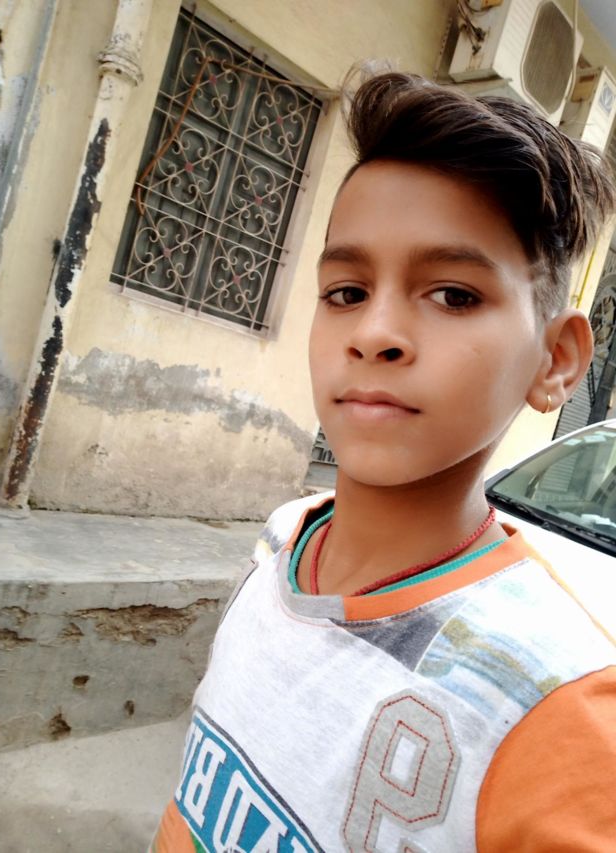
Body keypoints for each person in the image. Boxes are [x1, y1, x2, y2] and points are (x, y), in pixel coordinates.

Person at [151, 72, 616, 852]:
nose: (374, 333)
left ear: (556, 359)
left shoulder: (558, 708)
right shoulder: (282, 539)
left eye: (453, 294)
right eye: (345, 291)